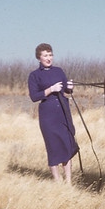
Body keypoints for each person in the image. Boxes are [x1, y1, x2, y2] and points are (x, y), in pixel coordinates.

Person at [28, 43, 78, 184]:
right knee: (53, 148)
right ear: (39, 58)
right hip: (48, 116)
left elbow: (66, 92)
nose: (49, 58)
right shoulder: (34, 75)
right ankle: (57, 182)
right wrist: (51, 89)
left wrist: (69, 88)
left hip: (63, 112)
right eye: (45, 55)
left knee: (67, 146)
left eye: (50, 55)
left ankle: (68, 182)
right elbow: (34, 97)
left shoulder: (59, 71)